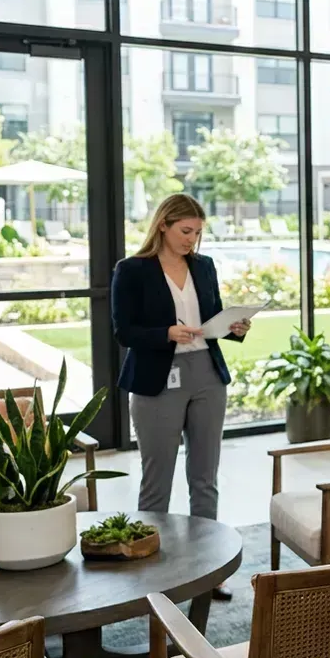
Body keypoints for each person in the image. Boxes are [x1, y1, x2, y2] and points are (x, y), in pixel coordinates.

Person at [110, 193, 251, 601]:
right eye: (186, 231)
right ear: (163, 226)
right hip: (158, 378)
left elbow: (214, 318)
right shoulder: (132, 270)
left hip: (207, 374)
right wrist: (166, 334)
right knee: (157, 480)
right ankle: (151, 572)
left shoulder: (204, 267)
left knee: (205, 477)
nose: (192, 240)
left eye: (198, 233)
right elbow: (124, 331)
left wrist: (234, 328)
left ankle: (209, 569)